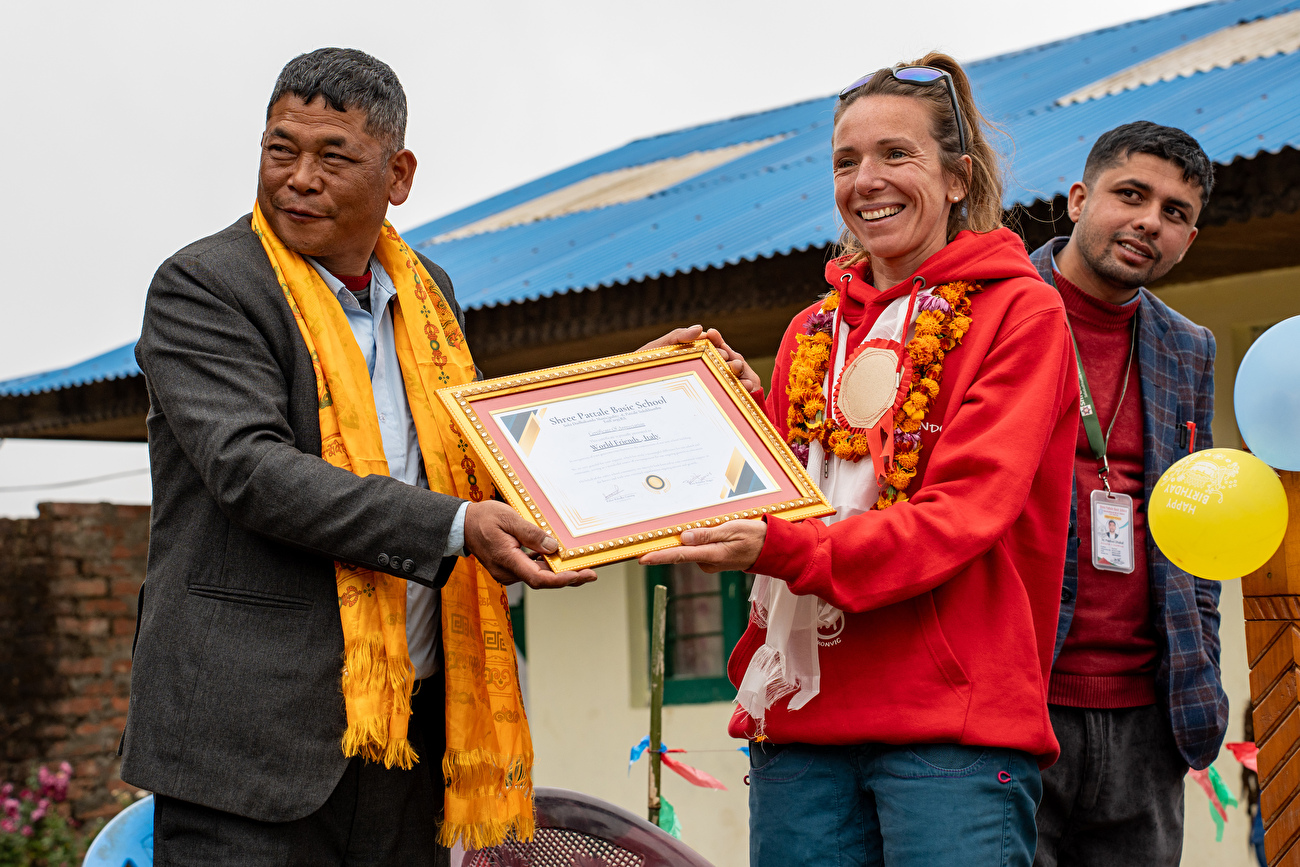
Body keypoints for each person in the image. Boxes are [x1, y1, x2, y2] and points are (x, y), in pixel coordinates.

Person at [120, 48, 607, 867]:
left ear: (399, 173)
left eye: (332, 156)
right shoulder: (206, 285)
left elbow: (477, 445)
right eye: (281, 150)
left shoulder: (428, 294)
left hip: (408, 732)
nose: (297, 178)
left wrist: (636, 392)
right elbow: (253, 470)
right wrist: (455, 525)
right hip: (248, 746)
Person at [642, 52, 1078, 866]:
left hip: (949, 734)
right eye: (846, 161)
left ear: (957, 178)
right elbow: (770, 498)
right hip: (800, 725)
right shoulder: (813, 331)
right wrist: (703, 407)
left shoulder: (1022, 313)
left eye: (895, 154)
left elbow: (962, 516)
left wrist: (780, 545)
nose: (866, 179)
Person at [1028, 121, 1227, 867]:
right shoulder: (993, 309)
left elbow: (1196, 522)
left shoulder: (1189, 345)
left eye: (1174, 212)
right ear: (1079, 199)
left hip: (1151, 716)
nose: (1150, 220)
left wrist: (1199, 653)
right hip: (1022, 700)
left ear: (1189, 239)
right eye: (1131, 194)